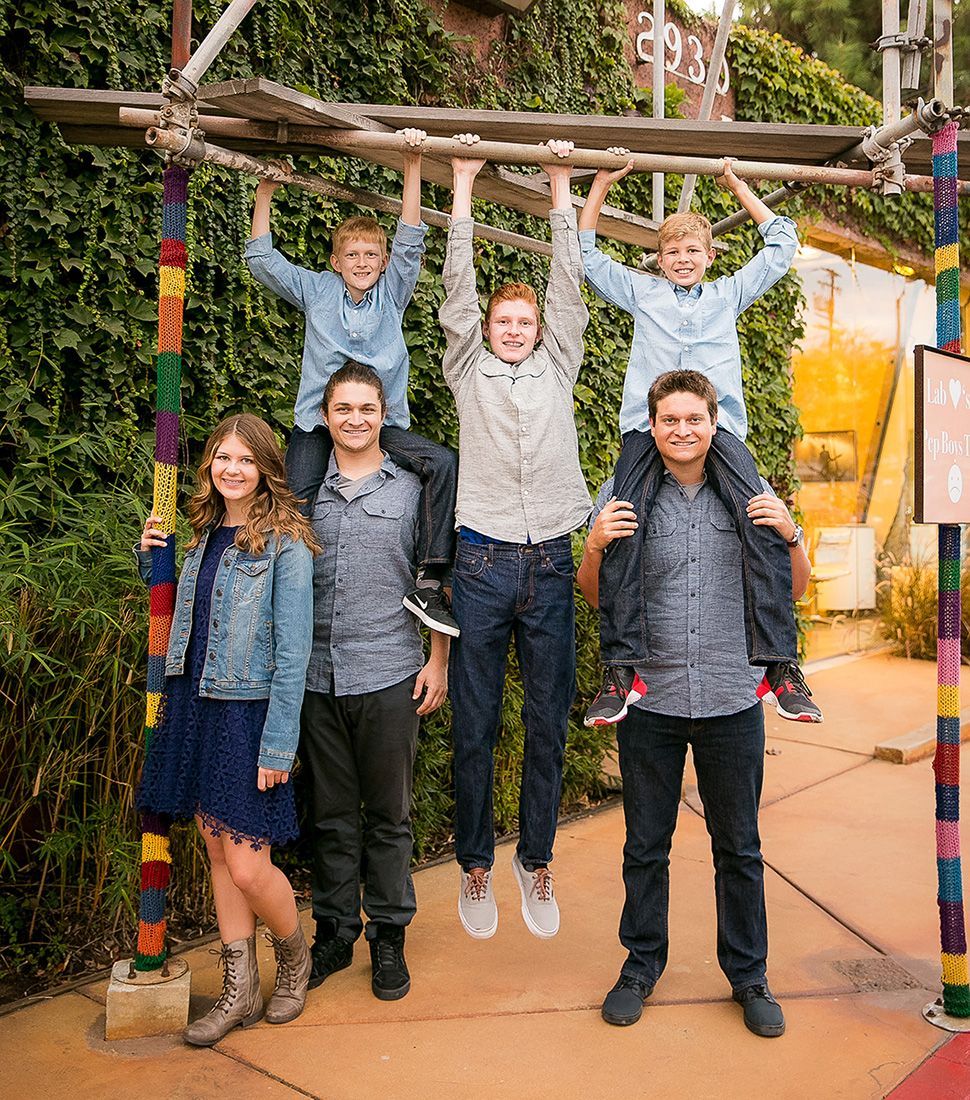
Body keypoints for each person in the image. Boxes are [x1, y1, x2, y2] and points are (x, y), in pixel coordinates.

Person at [576, 370, 811, 1038]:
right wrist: (593, 544)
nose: (682, 431)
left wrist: (792, 532)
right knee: (645, 845)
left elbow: (790, 589)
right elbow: (597, 595)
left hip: (732, 697)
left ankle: (749, 975)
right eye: (669, 420)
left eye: (694, 419)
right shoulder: (622, 494)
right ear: (652, 426)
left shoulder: (749, 492)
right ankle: (641, 965)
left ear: (714, 423)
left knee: (738, 847)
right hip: (650, 700)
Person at [578, 157, 821, 727]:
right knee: (622, 522)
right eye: (672, 253)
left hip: (721, 429)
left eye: (692, 252)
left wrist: (738, 187)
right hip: (648, 431)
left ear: (710, 256)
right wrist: (601, 186)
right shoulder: (642, 293)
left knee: (759, 518)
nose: (682, 261)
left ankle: (779, 666)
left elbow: (781, 245)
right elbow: (586, 257)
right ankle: (620, 668)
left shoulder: (727, 295)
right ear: (659, 261)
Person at [439, 135, 590, 941]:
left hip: (551, 562)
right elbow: (455, 294)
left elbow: (569, 292)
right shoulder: (468, 365)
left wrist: (564, 188)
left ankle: (535, 861)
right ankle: (473, 865)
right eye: (505, 320)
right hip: (485, 558)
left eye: (523, 321)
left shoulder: (559, 362)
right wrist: (461, 188)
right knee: (475, 722)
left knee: (546, 721)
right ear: (489, 328)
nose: (515, 329)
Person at [136, 413, 318, 1046]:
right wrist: (151, 560)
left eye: (244, 459)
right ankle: (240, 992)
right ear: (209, 464)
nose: (231, 469)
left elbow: (294, 653)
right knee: (217, 853)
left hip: (247, 713)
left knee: (248, 866)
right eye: (221, 457)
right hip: (196, 703)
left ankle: (295, 957)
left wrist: (279, 742)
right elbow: (183, 615)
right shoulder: (201, 535)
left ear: (265, 468)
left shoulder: (288, 543)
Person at [245, 129, 459, 638]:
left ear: (382, 264)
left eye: (371, 256)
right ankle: (273, 594)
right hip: (320, 425)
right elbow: (261, 261)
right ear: (336, 262)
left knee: (443, 463)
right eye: (352, 256)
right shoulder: (317, 290)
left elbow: (410, 238)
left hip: (380, 428)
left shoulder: (393, 293)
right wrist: (265, 191)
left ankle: (428, 582)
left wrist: (413, 162)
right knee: (295, 496)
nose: (362, 264)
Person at [299, 362, 450, 1001]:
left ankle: (389, 935)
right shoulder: (302, 493)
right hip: (316, 675)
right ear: (326, 418)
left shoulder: (412, 491)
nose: (355, 419)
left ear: (383, 416)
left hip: (391, 669)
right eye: (343, 409)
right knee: (331, 814)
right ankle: (334, 930)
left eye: (366, 408)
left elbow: (441, 581)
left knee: (388, 814)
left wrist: (438, 659)